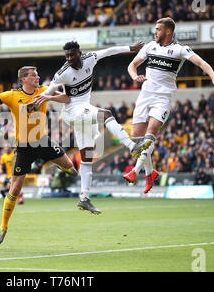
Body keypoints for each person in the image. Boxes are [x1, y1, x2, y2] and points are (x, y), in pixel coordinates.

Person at [32, 41, 149, 215]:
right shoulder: (63, 72)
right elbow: (49, 90)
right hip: (72, 112)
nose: (69, 58)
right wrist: (38, 99)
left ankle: (84, 198)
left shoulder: (90, 59)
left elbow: (109, 51)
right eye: (67, 56)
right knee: (106, 114)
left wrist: (130, 48)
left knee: (87, 156)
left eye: (72, 54)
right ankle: (133, 146)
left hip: (83, 112)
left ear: (79, 52)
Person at [0, 66, 77, 244]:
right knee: (15, 189)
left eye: (37, 74)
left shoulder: (44, 90)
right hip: (24, 147)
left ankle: (60, 167)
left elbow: (67, 98)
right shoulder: (12, 95)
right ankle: (3, 227)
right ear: (24, 79)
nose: (37, 77)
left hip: (43, 141)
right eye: (34, 75)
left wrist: (48, 96)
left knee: (71, 168)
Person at [125, 17, 214, 194]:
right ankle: (150, 173)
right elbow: (132, 65)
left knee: (150, 135)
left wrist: (212, 75)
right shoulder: (150, 46)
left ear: (168, 31)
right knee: (136, 140)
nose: (155, 32)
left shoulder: (180, 50)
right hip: (145, 95)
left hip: (162, 98)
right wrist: (135, 77)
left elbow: (200, 62)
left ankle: (135, 171)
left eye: (158, 29)